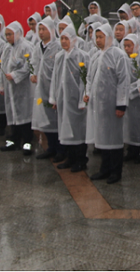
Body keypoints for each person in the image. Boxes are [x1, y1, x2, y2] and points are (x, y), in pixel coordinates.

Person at [85, 24, 130, 185]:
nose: (98, 40)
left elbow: (123, 81)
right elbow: (90, 78)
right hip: (99, 106)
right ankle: (104, 169)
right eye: (96, 37)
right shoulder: (96, 55)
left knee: (114, 139)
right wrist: (88, 94)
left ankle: (115, 171)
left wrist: (121, 105)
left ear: (108, 37)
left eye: (101, 37)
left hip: (112, 106)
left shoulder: (118, 55)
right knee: (103, 139)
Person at [51, 25, 90, 173]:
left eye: (67, 38)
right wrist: (54, 98)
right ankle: (70, 158)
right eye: (62, 38)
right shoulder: (60, 56)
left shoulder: (82, 56)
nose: (64, 41)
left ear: (74, 39)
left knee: (78, 130)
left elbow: (85, 79)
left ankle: (81, 160)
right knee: (66, 128)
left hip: (76, 100)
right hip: (63, 99)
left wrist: (82, 100)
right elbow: (56, 77)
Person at [0, 21, 36, 156]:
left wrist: (14, 75)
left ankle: (27, 143)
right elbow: (3, 67)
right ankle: (13, 142)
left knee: (24, 117)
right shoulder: (7, 49)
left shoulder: (26, 47)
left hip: (22, 88)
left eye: (10, 34)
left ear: (18, 33)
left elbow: (29, 66)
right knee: (12, 116)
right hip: (10, 89)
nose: (8, 37)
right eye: (6, 35)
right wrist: (1, 85)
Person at [31, 18, 65, 162]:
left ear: (51, 30)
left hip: (54, 88)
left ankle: (61, 150)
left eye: (44, 29)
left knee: (56, 120)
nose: (41, 32)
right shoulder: (37, 47)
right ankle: (51, 147)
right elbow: (33, 63)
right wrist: (33, 74)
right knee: (45, 119)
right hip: (41, 88)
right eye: (39, 29)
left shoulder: (57, 47)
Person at [122, 34, 140, 164]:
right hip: (128, 99)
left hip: (139, 99)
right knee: (130, 126)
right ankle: (131, 149)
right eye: (125, 46)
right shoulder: (122, 60)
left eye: (130, 46)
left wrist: (133, 89)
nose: (127, 49)